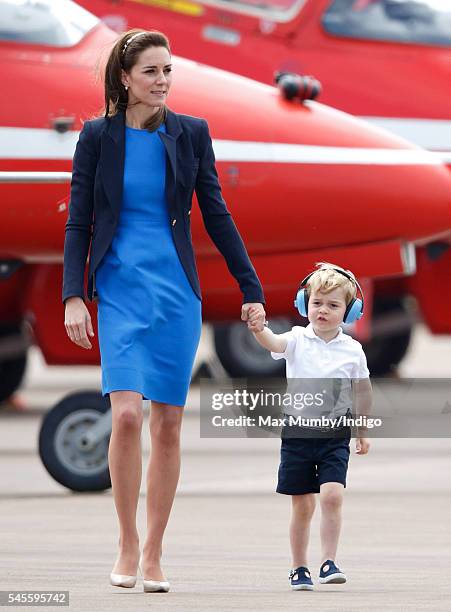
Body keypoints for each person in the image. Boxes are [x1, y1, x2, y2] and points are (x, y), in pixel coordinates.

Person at [62, 28, 265, 593]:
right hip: (120, 289)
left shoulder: (191, 134)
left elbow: (217, 215)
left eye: (168, 71)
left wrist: (249, 286)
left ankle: (153, 551)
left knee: (168, 424)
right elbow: (79, 219)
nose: (163, 81)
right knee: (126, 415)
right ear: (125, 78)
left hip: (176, 293)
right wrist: (73, 293)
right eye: (151, 71)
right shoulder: (97, 138)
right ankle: (126, 539)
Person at [247, 263, 371, 590]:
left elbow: (362, 390)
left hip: (335, 433)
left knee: (332, 496)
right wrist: (259, 329)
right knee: (302, 504)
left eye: (333, 305)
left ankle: (329, 561)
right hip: (298, 433)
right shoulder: (297, 339)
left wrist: (362, 429)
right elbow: (273, 343)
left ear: (350, 310)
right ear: (305, 305)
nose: (323, 311)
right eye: (316, 303)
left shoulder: (353, 350)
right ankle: (298, 566)